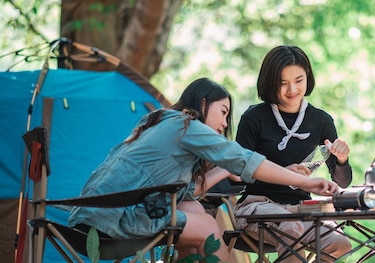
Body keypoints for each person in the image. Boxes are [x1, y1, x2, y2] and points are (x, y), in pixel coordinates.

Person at [67, 78, 338, 262]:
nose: (223, 124)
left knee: (194, 209)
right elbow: (246, 160)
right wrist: (306, 183)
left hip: (89, 218)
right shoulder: (185, 125)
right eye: (222, 112)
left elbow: (186, 192)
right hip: (112, 222)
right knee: (207, 223)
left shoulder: (160, 121)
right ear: (204, 103)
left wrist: (221, 169)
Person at [233, 45, 353, 262]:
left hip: (301, 208)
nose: (292, 89)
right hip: (256, 205)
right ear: (270, 82)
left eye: (299, 80)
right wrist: (282, 173)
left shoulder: (321, 120)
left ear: (308, 77)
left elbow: (342, 182)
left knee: (340, 243)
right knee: (291, 228)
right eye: (282, 83)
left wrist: (342, 160)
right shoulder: (254, 118)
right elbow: (237, 175)